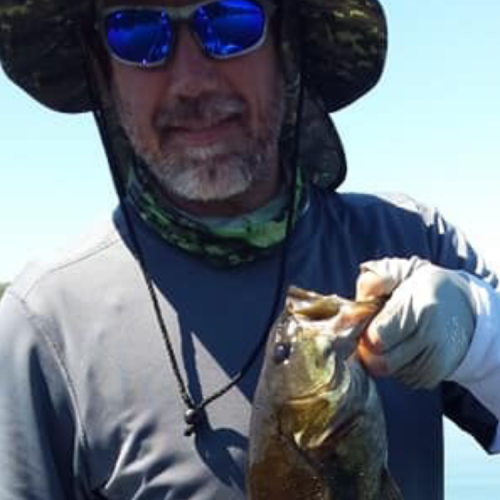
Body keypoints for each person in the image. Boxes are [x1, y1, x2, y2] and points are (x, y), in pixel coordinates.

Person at [0, 0, 498, 499]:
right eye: (135, 32)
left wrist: (479, 337)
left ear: (286, 45)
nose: (191, 80)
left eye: (231, 21)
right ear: (101, 65)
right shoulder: (41, 330)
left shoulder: (416, 243)